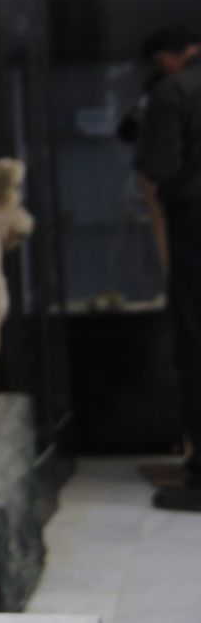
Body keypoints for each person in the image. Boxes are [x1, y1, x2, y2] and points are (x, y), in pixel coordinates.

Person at [135, 25, 201, 511]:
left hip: (195, 227)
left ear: (169, 58)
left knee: (196, 343)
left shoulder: (174, 92)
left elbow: (157, 165)